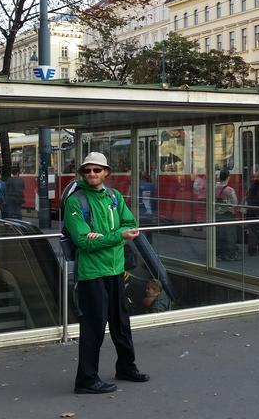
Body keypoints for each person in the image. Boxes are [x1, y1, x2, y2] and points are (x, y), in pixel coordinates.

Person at [64, 152, 148, 394]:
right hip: (92, 274)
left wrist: (104, 237)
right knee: (93, 328)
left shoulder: (114, 196)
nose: (92, 174)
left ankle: (126, 367)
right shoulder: (75, 202)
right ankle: (86, 380)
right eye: (88, 170)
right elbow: (83, 241)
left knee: (121, 323)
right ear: (82, 173)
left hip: (115, 269)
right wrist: (117, 236)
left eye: (97, 170)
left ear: (106, 172)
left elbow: (130, 225)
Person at [214, 168, 240, 261]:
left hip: (217, 215)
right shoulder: (229, 190)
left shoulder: (214, 188)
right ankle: (229, 254)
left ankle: (218, 254)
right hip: (227, 215)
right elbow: (235, 203)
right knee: (229, 235)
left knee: (218, 235)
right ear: (228, 177)